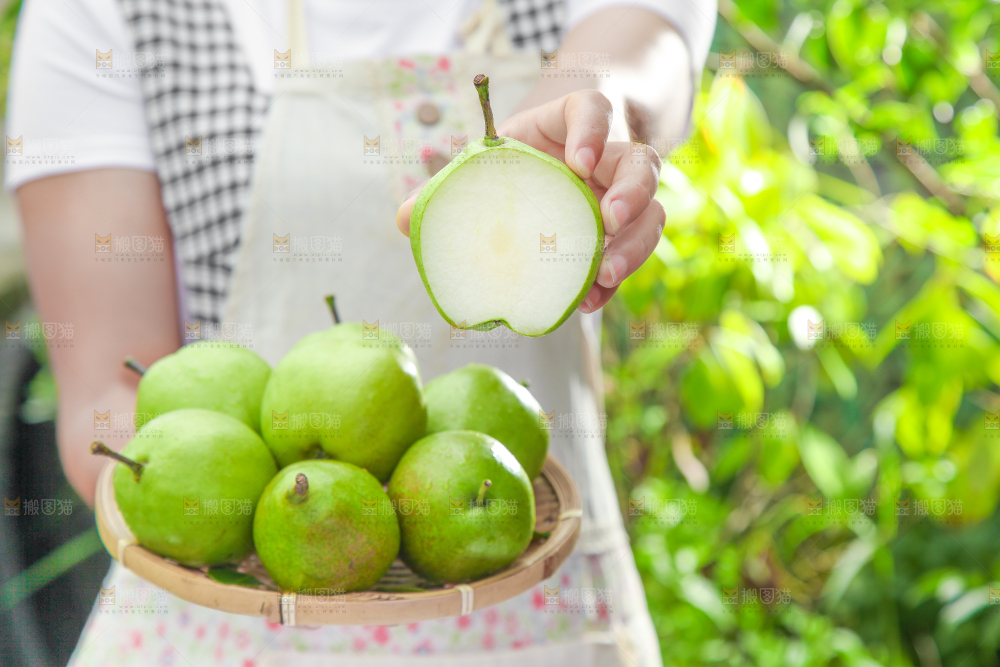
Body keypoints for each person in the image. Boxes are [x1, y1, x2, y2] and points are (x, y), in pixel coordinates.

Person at [7, 0, 714, 664]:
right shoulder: (106, 12)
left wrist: (597, 130)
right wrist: (288, 532)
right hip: (218, 625)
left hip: (536, 605)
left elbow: (636, 50)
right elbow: (109, 392)